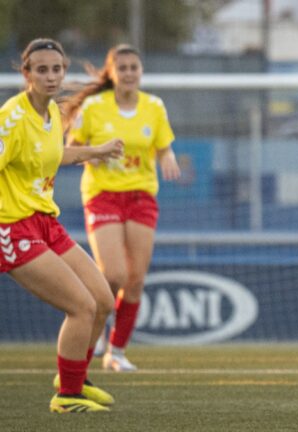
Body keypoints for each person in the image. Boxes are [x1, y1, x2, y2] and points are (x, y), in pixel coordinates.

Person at [0, 38, 123, 412]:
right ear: (26, 74)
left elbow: (53, 155)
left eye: (57, 69)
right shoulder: (12, 117)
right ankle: (67, 398)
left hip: (44, 221)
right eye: (42, 70)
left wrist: (96, 151)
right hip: (13, 227)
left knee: (102, 301)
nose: (51, 76)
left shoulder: (51, 112)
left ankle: (74, 378)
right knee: (81, 307)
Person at [63, 44, 180, 372]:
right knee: (113, 273)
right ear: (111, 73)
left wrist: (168, 157)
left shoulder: (154, 106)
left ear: (141, 72)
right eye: (123, 68)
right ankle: (96, 324)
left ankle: (116, 351)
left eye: (134, 67)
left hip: (141, 196)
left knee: (136, 279)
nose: (129, 73)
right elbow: (72, 149)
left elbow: (164, 146)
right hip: (103, 194)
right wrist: (94, 152)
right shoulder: (94, 106)